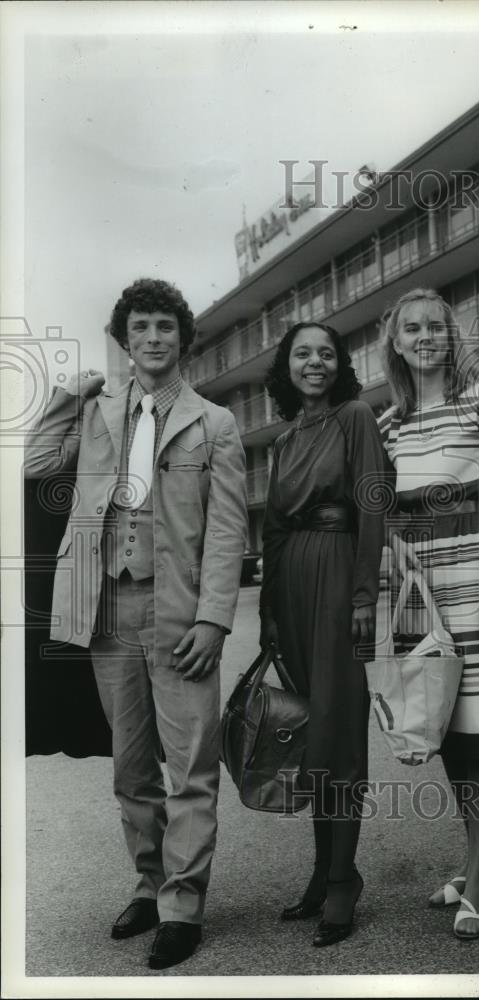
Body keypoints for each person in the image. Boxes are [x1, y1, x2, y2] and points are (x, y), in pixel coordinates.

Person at [24, 278, 248, 970]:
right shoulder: (96, 415)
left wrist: (214, 619)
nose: (153, 338)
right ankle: (149, 884)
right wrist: (73, 394)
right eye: (141, 328)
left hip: (179, 611)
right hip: (106, 612)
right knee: (130, 769)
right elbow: (36, 466)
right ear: (126, 340)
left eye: (165, 327)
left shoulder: (214, 423)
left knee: (190, 769)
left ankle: (182, 905)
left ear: (183, 339)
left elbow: (226, 531)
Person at [379, 288, 479, 941]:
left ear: (450, 334)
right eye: (411, 328)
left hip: (475, 578)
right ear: (396, 342)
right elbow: (385, 512)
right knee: (443, 724)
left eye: (434, 326)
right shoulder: (387, 424)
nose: (423, 337)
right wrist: (394, 547)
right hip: (424, 592)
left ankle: (475, 884)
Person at [259, 321, 384, 948]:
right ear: (288, 365)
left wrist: (364, 595)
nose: (316, 362)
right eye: (303, 353)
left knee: (340, 731)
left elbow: (372, 507)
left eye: (327, 353)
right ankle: (321, 870)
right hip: (293, 586)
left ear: (340, 365)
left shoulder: (355, 417)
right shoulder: (282, 440)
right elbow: (273, 530)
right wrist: (270, 615)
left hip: (338, 577)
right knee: (312, 735)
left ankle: (343, 878)